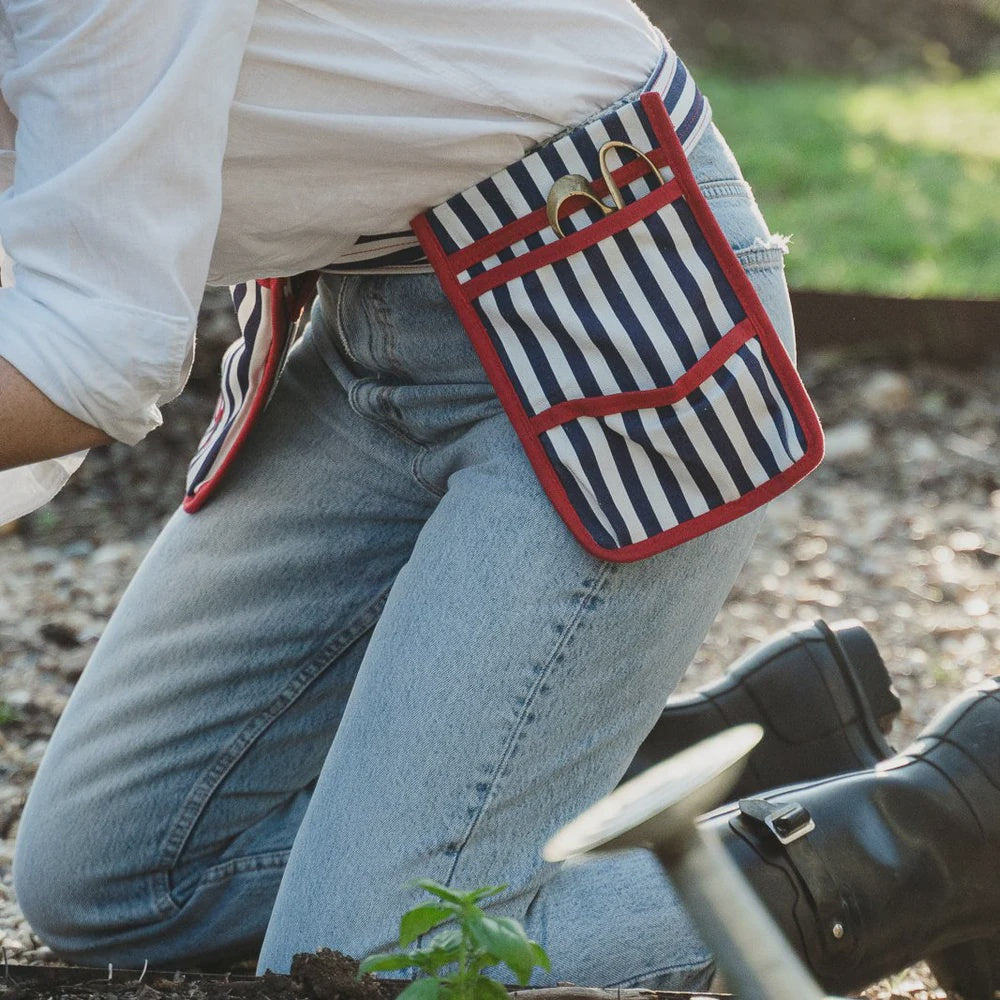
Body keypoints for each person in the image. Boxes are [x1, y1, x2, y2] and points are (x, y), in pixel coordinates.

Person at [4, 3, 998, 997]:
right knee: (114, 881)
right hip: (362, 319)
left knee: (374, 958)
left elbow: (90, 345)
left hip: (601, 301)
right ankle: (739, 756)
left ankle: (946, 828)